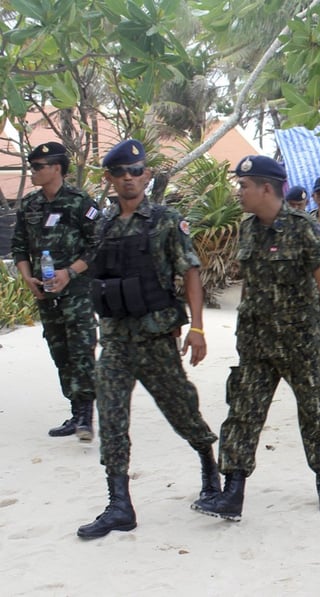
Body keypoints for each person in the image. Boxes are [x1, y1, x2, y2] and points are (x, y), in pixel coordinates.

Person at [77, 139, 219, 539]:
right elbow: (94, 270)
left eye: (135, 171)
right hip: (117, 341)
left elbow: (190, 271)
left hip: (156, 338)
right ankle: (119, 503)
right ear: (110, 179)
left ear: (147, 176)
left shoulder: (165, 220)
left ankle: (208, 463)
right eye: (120, 172)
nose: (128, 178)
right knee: (112, 414)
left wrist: (197, 327)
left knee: (181, 409)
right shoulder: (103, 226)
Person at [191, 155, 320, 522]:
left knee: (314, 414)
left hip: (301, 343)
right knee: (242, 414)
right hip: (256, 344)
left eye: (244, 186)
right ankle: (234, 492)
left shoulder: (303, 228)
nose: (239, 193)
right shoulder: (248, 229)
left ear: (266, 188)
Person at [12, 141, 100, 441]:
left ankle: (86, 417)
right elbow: (20, 247)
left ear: (57, 168)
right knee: (60, 351)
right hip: (45, 293)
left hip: (76, 292)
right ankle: (75, 413)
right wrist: (28, 278)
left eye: (38, 167)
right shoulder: (29, 205)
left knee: (82, 350)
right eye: (32, 166)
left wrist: (70, 272)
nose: (33, 171)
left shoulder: (79, 202)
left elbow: (98, 245)